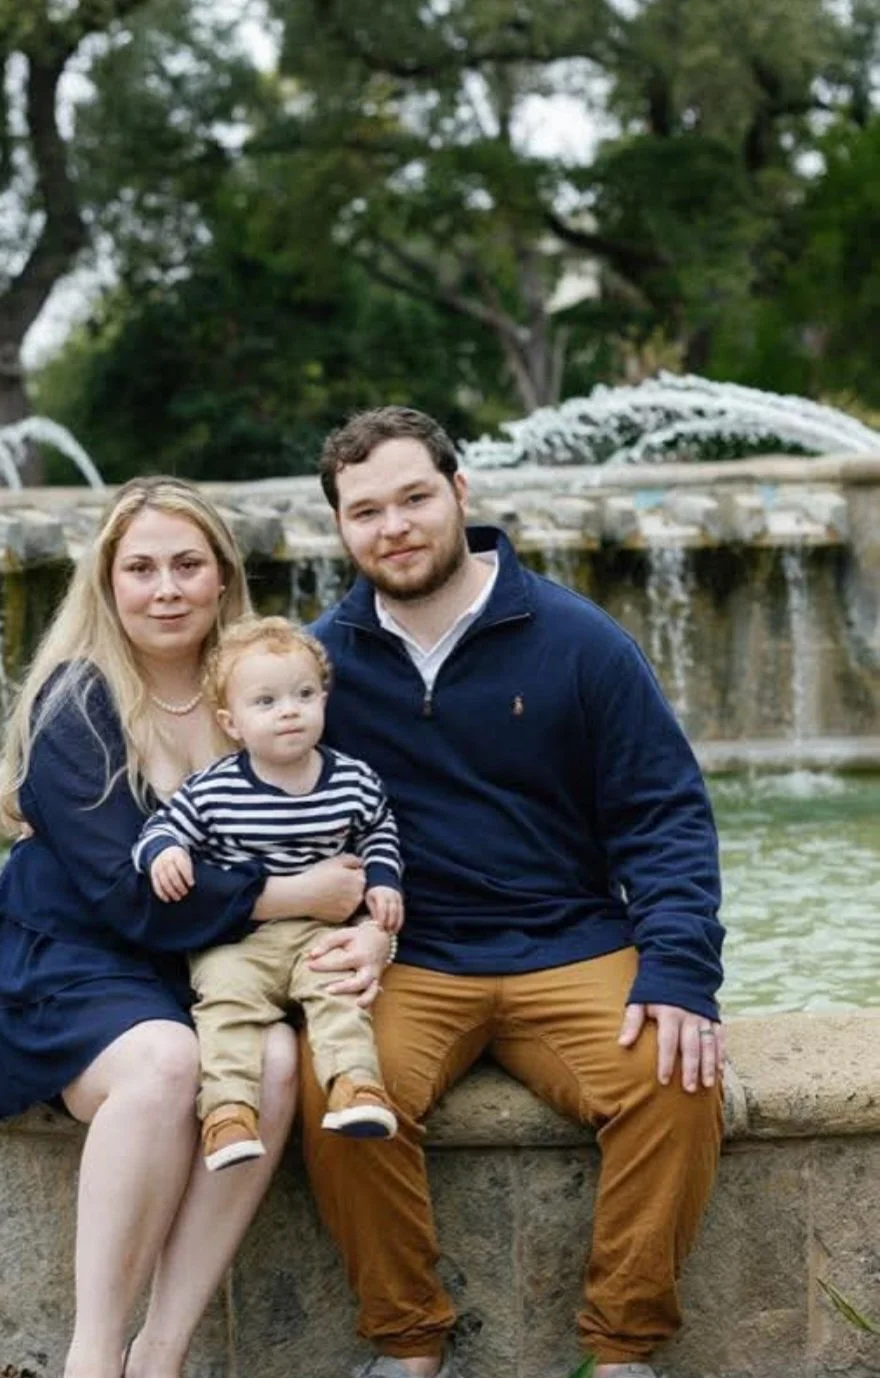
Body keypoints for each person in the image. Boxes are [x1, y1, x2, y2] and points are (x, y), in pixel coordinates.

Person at [300, 407, 727, 1378]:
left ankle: (619, 1351)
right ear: (340, 528)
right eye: (365, 510)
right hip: (406, 957)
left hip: (571, 944)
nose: (394, 526)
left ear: (459, 493)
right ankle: (408, 1346)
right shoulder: (317, 668)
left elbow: (664, 814)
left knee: (678, 1073)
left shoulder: (578, 640)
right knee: (335, 1082)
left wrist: (680, 968)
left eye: (413, 497)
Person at [0, 477, 374, 1378]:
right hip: (68, 960)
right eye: (140, 569)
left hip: (196, 964)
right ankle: (94, 1357)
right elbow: (121, 890)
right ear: (109, 586)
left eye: (188, 565)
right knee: (166, 1062)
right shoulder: (79, 700)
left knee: (271, 1063)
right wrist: (295, 896)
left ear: (224, 577)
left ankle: (163, 1352)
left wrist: (373, 920)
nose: (166, 588)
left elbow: (354, 827)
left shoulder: (263, 690)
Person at [133, 615, 405, 1172]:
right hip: (241, 940)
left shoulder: (352, 779)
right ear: (231, 723)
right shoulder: (216, 788)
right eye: (267, 701)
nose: (289, 710)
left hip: (320, 933)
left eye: (304, 695)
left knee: (341, 994)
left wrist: (383, 881)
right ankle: (228, 1114)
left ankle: (356, 1087)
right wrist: (166, 853)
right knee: (225, 1005)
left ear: (324, 700)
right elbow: (161, 828)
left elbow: (380, 831)